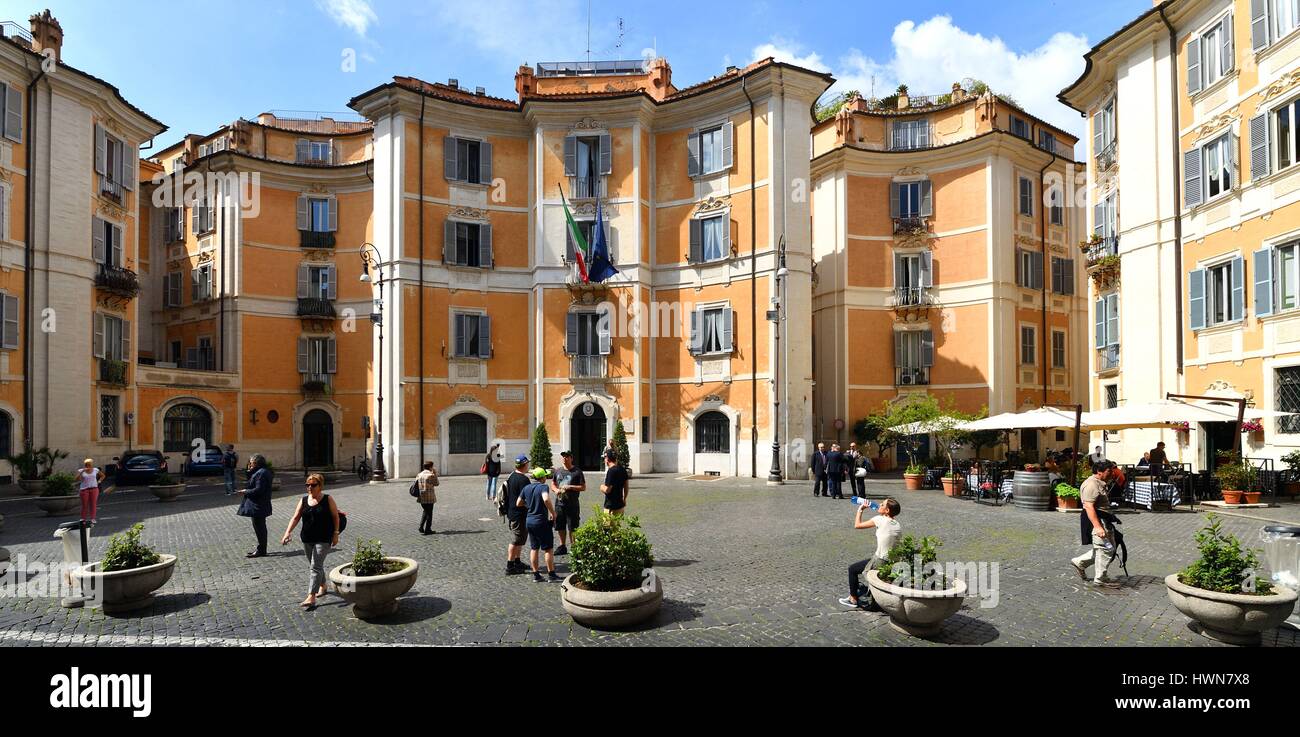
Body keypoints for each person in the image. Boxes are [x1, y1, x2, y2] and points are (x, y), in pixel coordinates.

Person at [279, 473, 339, 609]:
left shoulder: (328, 499)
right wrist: (287, 532)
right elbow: (295, 517)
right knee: (315, 565)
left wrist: (336, 534)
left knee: (315, 566)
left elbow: (336, 517)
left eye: (313, 485)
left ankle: (311, 596)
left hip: (324, 538)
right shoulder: (304, 500)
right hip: (307, 538)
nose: (309, 488)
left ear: (320, 486)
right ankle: (323, 585)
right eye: (307, 485)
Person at [840, 497, 902, 610]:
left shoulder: (879, 519)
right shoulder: (897, 524)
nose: (879, 505)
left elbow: (857, 525)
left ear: (887, 511)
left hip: (880, 560)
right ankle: (864, 592)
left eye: (882, 504)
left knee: (852, 569)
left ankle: (852, 599)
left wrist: (861, 509)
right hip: (893, 561)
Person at [1071, 461, 1121, 588]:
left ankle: (1079, 562)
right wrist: (1098, 527)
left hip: (1103, 519)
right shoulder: (1091, 485)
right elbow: (1088, 506)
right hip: (1097, 521)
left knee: (1105, 548)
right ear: (1099, 472)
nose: (1112, 473)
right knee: (1105, 548)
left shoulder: (1099, 483)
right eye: (1109, 471)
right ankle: (1101, 578)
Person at [518, 467, 561, 582]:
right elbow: (546, 499)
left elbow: (519, 503)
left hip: (529, 521)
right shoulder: (543, 487)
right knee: (548, 549)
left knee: (534, 548)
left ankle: (536, 575)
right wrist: (553, 513)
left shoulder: (526, 488)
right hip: (541, 522)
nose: (546, 478)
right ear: (542, 478)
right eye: (545, 476)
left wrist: (530, 506)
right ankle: (551, 574)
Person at [235, 454, 274, 558]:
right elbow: (251, 480)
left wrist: (245, 491)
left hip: (259, 505)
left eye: (251, 463)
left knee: (260, 528)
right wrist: (249, 470)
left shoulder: (261, 473)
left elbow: (258, 490)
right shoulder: (262, 471)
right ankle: (261, 549)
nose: (249, 464)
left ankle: (261, 550)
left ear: (256, 463)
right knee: (260, 527)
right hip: (260, 504)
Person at [551, 450, 586, 555]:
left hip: (572, 504)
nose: (564, 459)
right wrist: (556, 490)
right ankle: (562, 546)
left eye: (567, 457)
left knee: (573, 526)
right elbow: (553, 484)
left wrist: (570, 487)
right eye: (563, 457)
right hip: (559, 504)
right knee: (560, 525)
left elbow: (583, 487)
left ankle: (574, 546)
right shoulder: (558, 471)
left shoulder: (577, 472)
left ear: (571, 458)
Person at [503, 455, 532, 576]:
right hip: (519, 514)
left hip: (513, 512)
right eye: (527, 464)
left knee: (520, 539)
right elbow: (526, 498)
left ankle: (517, 561)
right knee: (516, 540)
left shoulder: (511, 476)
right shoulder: (524, 480)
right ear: (525, 465)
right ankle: (510, 566)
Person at [75, 459, 106, 525]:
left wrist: (99, 481)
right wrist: (82, 471)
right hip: (84, 490)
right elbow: (76, 479)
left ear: (92, 464)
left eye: (89, 464)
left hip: (94, 489)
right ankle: (83, 518)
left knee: (93, 504)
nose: (88, 466)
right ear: (85, 465)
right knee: (84, 505)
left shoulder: (95, 470)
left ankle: (93, 518)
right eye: (87, 464)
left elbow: (103, 476)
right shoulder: (81, 470)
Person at [600, 450, 629, 515]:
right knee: (617, 525)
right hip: (620, 506)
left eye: (604, 458)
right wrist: (624, 499)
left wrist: (601, 487)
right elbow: (626, 488)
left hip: (610, 507)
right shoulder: (622, 469)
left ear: (607, 459)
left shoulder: (611, 471)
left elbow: (608, 490)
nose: (604, 460)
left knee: (608, 525)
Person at [416, 461, 439, 535]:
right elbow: (436, 483)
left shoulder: (419, 474)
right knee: (429, 513)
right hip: (429, 497)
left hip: (421, 496)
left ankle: (421, 527)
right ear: (430, 467)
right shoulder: (430, 475)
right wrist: (435, 473)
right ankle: (428, 529)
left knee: (425, 511)